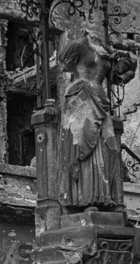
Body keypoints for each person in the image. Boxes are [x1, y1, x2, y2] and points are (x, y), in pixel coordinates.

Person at [57, 33, 135, 211]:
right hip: (82, 96)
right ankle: (85, 199)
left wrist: (124, 58)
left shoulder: (106, 49)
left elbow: (120, 75)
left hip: (99, 96)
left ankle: (103, 197)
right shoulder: (79, 44)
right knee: (84, 146)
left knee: (109, 148)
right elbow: (63, 63)